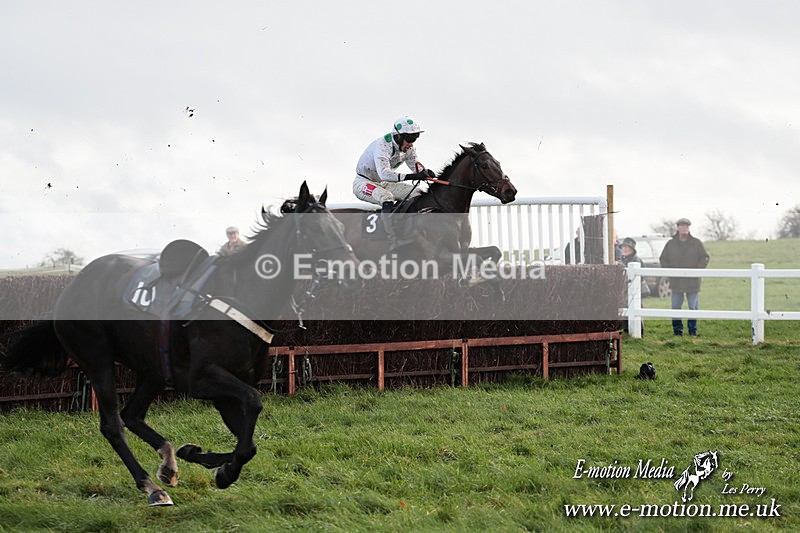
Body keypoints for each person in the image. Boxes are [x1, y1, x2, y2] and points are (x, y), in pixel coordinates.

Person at [352, 116, 436, 251]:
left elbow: (415, 165)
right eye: (409, 139)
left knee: (417, 193)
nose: (411, 143)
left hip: (383, 183)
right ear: (398, 136)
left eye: (414, 139)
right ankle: (392, 240)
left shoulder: (409, 148)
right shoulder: (382, 145)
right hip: (363, 183)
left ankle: (409, 230)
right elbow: (384, 174)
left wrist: (424, 172)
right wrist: (414, 176)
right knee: (386, 197)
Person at [659, 218, 710, 336]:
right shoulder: (670, 244)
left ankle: (693, 331)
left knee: (693, 307)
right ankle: (677, 331)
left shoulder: (696, 243)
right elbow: (663, 259)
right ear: (677, 227)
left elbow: (704, 257)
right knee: (676, 306)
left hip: (692, 282)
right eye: (682, 225)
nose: (684, 228)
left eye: (686, 226)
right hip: (676, 282)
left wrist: (698, 270)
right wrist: (670, 271)